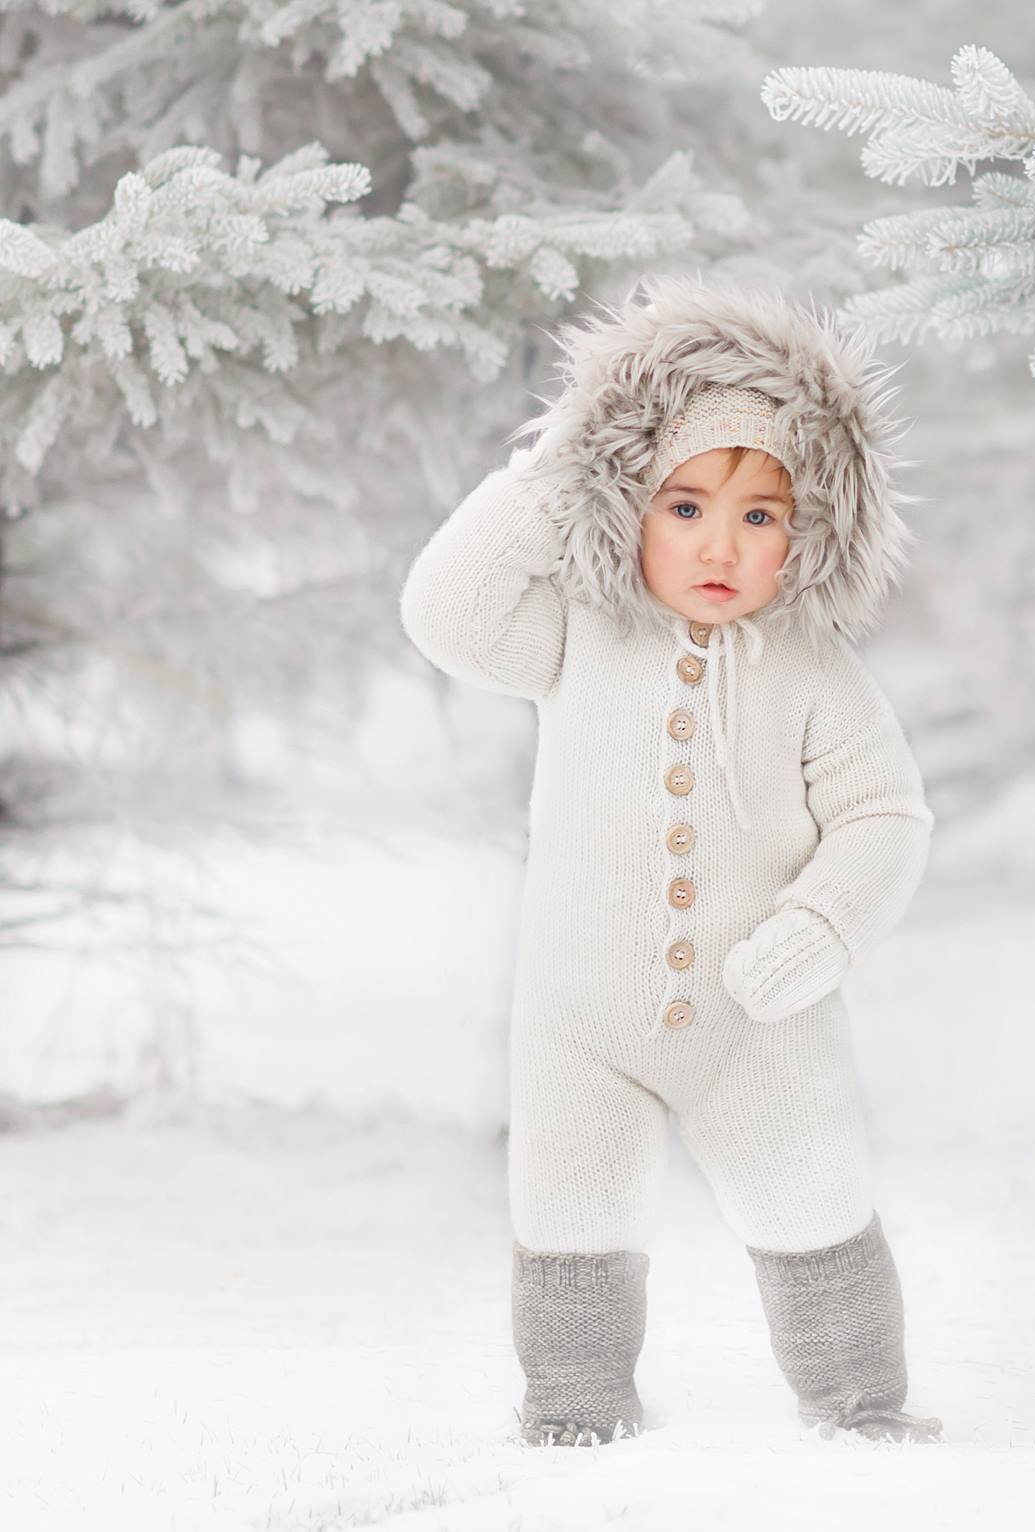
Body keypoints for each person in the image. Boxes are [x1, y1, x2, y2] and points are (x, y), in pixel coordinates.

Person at [397, 274, 941, 1445]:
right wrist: (551, 488)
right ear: (626, 505)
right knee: (570, 1207)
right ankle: (574, 1405)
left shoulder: (812, 670)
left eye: (759, 516)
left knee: (813, 1198)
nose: (718, 542)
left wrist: (825, 926)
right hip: (579, 1016)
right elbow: (445, 612)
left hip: (761, 1016)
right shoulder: (577, 640)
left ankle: (860, 1406)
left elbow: (885, 816)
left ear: (808, 532)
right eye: (682, 504)